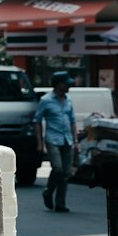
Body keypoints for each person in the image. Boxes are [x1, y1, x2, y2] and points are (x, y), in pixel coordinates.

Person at [33, 71, 77, 213]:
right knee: (57, 168)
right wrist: (40, 142)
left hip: (67, 139)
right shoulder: (46, 100)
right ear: (58, 84)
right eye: (66, 84)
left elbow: (72, 121)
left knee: (66, 173)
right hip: (52, 139)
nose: (69, 87)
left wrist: (75, 141)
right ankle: (48, 191)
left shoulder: (68, 100)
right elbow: (37, 121)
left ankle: (60, 203)